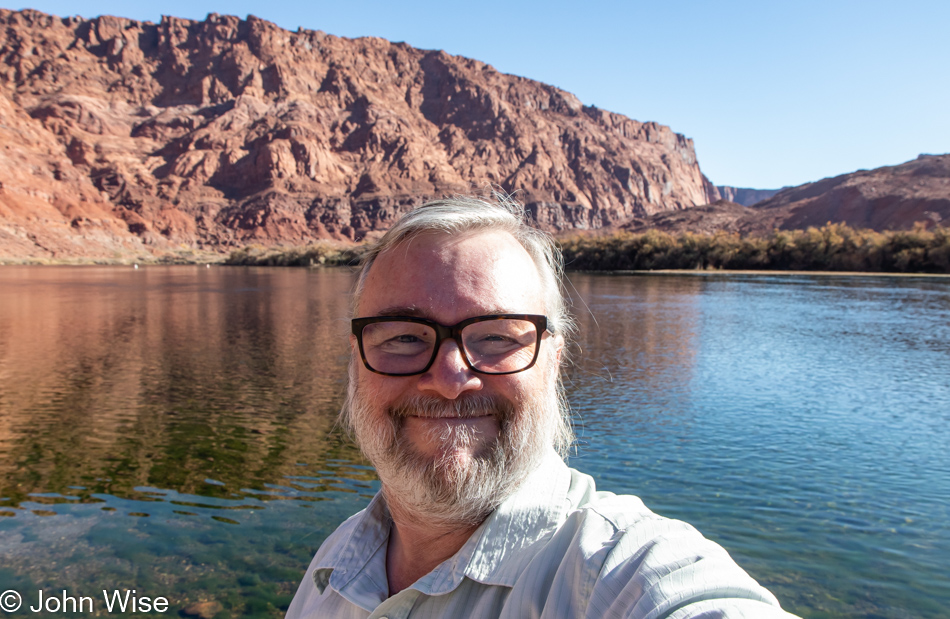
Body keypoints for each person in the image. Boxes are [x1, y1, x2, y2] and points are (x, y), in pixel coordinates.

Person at [286, 195, 799, 618]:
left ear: (553, 361)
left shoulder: (620, 575)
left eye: (496, 338)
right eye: (401, 337)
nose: (448, 379)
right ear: (355, 361)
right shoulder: (338, 560)